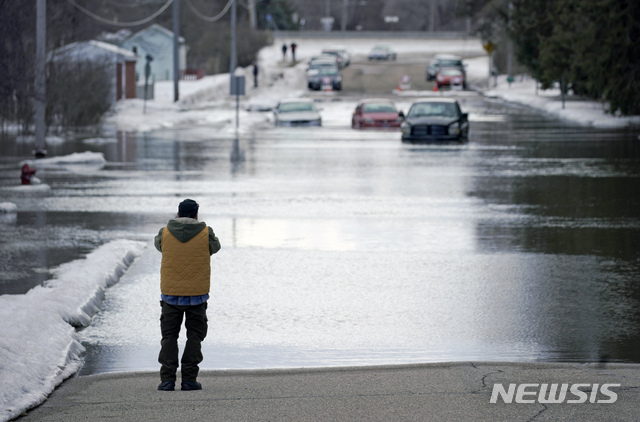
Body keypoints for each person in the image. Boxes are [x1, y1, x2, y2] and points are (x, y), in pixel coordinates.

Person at [154, 199, 221, 391]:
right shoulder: (206, 232)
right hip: (197, 295)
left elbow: (159, 246)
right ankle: (189, 379)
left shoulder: (165, 232)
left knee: (169, 337)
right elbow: (215, 248)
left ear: (178, 214)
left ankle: (167, 380)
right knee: (195, 336)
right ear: (196, 214)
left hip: (170, 295)